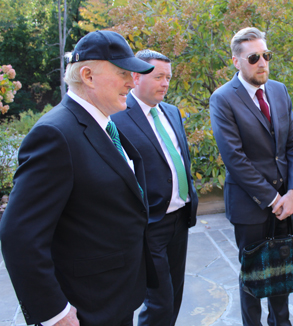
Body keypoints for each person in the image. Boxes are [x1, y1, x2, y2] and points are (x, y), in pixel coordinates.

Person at [0, 30, 158, 326]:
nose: (132, 81)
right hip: (86, 309)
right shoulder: (55, 134)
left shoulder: (102, 123)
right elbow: (19, 235)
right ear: (87, 75)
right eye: (123, 72)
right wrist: (55, 313)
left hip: (114, 297)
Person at [209, 27, 293, 326]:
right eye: (253, 57)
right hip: (250, 206)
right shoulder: (222, 99)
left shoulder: (279, 90)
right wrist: (273, 198)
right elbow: (235, 159)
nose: (262, 62)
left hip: (285, 205)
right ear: (236, 61)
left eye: (266, 55)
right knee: (252, 277)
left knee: (282, 272)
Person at [112, 49, 198, 326]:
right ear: (135, 77)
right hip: (150, 224)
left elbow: (179, 159)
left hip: (180, 219)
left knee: (175, 297)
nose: (165, 83)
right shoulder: (118, 116)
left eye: (168, 77)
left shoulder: (171, 112)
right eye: (159, 76)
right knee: (159, 302)